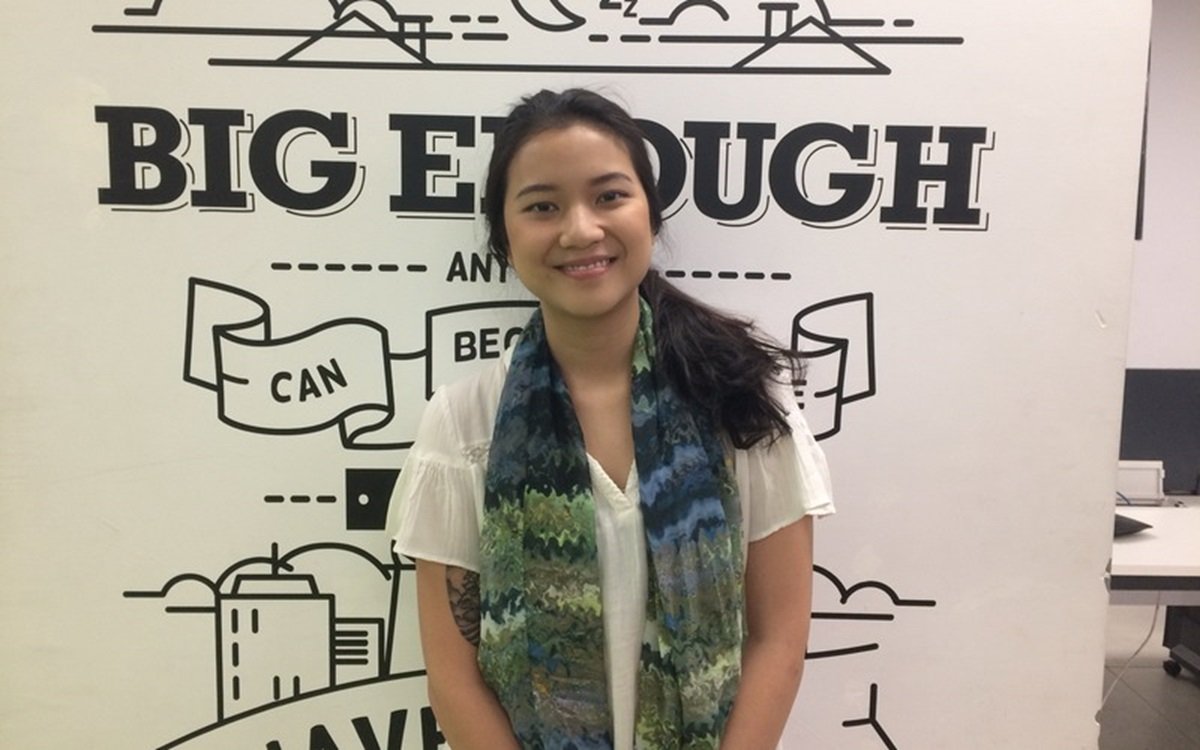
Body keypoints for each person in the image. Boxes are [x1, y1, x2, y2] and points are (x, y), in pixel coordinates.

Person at [388, 88, 833, 750]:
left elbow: (778, 642)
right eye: (542, 206)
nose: (581, 230)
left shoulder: (741, 399)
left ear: (650, 212)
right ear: (503, 237)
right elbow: (454, 680)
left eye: (609, 196)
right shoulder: (464, 424)